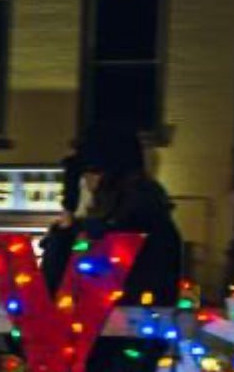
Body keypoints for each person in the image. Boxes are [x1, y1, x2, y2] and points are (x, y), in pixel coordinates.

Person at [41, 131, 182, 306]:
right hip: (129, 317)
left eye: (91, 171)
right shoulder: (142, 202)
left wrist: (67, 228)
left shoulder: (135, 207)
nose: (87, 180)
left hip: (126, 318)